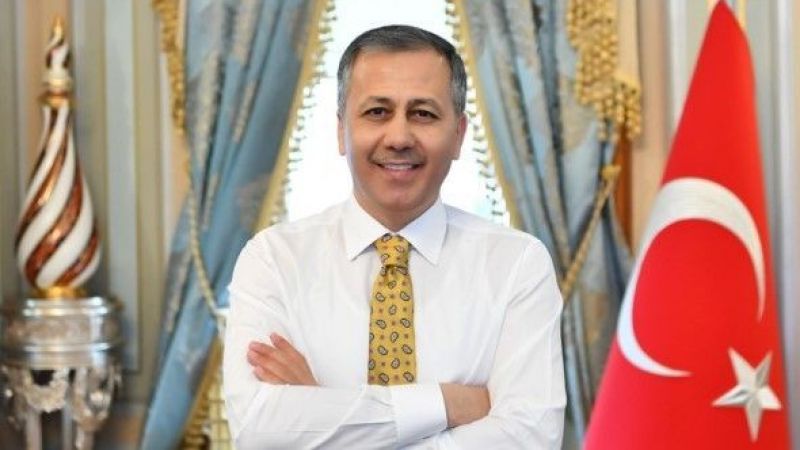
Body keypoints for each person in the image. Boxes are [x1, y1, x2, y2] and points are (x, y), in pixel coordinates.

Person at [223, 24, 566, 449]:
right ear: (341, 131)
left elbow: (529, 438)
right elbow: (258, 431)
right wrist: (448, 404)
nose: (400, 137)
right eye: (377, 112)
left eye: (423, 114)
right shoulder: (273, 259)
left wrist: (321, 413)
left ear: (458, 135)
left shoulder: (518, 264)